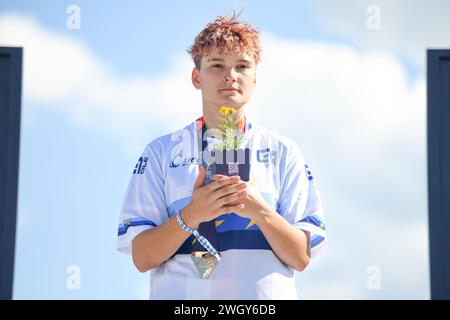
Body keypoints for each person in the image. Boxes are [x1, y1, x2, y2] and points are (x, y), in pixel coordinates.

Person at [116, 12, 327, 300]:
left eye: (242, 66)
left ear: (255, 79)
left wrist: (258, 208)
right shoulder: (161, 153)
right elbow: (142, 257)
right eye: (217, 65)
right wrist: (192, 214)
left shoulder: (283, 152)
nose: (230, 75)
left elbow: (302, 257)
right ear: (196, 77)